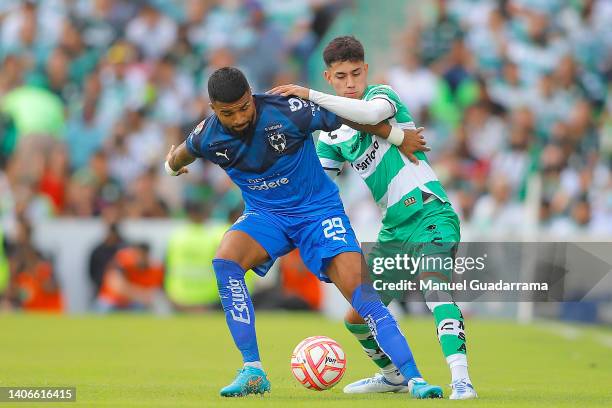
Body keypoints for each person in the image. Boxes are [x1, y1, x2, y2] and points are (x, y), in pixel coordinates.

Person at [165, 67, 442, 398]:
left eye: (243, 107)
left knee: (360, 293)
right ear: (213, 109)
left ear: (251, 95)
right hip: (266, 215)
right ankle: (252, 370)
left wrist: (396, 136)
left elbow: (347, 117)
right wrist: (171, 166)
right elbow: (183, 152)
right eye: (228, 113)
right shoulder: (207, 135)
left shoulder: (287, 110)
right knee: (225, 261)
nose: (239, 118)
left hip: (318, 212)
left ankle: (414, 379)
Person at [269, 36, 477, 399]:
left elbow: (368, 117)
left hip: (430, 210)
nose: (350, 83)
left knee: (435, 286)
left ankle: (461, 380)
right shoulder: (331, 135)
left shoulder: (381, 96)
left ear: (365, 71)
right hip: (394, 229)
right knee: (356, 317)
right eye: (340, 76)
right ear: (329, 77)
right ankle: (393, 376)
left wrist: (309, 95)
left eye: (355, 74)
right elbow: (318, 186)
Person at [95, 243, 164, 313]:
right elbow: (116, 284)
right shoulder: (123, 261)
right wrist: (141, 294)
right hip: (111, 301)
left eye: (142, 254)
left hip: (133, 304)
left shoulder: (155, 269)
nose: (139, 257)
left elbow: (155, 291)